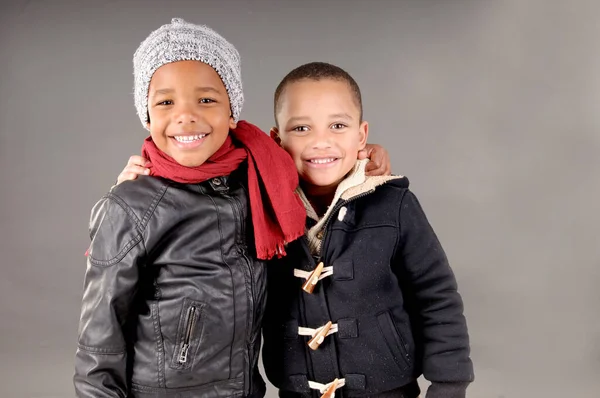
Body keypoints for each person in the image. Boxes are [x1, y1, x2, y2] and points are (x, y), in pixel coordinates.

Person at [73, 18, 308, 397]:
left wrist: (370, 161)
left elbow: (325, 174)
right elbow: (100, 337)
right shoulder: (133, 205)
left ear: (231, 111)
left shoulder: (261, 182)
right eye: (166, 102)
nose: (186, 115)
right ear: (147, 116)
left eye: (206, 99)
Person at [261, 62, 474, 398]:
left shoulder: (394, 204)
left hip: (387, 390)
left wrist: (449, 384)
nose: (321, 142)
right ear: (276, 138)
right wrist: (147, 176)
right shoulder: (259, 208)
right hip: (299, 390)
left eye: (337, 125)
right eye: (301, 128)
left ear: (361, 135)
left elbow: (437, 297)